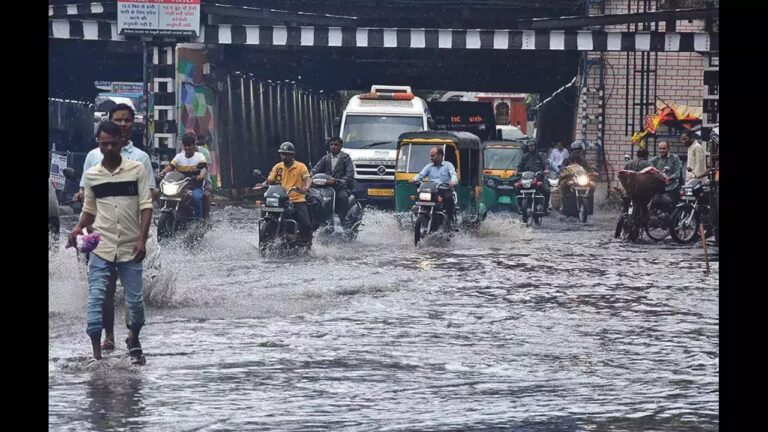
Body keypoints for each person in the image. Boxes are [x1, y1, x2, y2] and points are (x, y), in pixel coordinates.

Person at [67, 121, 152, 364]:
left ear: (122, 143)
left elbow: (146, 207)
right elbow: (89, 210)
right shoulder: (92, 175)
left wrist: (142, 240)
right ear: (99, 144)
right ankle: (96, 357)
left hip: (130, 247)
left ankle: (133, 337)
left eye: (113, 144)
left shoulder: (137, 170)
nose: (109, 148)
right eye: (104, 144)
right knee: (95, 303)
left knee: (135, 305)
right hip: (101, 248)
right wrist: (77, 227)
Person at [259, 142, 313, 247]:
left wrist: (306, 187)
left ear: (292, 155)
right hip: (281, 199)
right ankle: (264, 240)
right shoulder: (277, 167)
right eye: (282, 154)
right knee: (265, 210)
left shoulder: (301, 166)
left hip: (297, 199)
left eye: (287, 154)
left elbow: (308, 178)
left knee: (306, 223)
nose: (284, 156)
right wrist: (263, 184)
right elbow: (270, 180)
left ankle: (307, 245)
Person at [159, 132, 208, 220]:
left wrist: (201, 175)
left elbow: (203, 168)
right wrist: (162, 173)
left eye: (190, 145)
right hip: (180, 186)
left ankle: (199, 221)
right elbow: (171, 167)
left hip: (195, 186)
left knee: (196, 198)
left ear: (194, 145)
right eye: (186, 145)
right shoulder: (178, 157)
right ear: (182, 145)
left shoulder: (199, 156)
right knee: (165, 195)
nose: (187, 148)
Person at [409, 146, 458, 228]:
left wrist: (453, 181)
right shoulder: (429, 166)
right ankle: (422, 218)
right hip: (432, 190)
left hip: (444, 190)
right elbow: (421, 175)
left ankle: (450, 220)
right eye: (430, 156)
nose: (430, 158)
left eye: (432, 156)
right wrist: (414, 179)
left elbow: (453, 175)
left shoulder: (448, 165)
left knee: (449, 198)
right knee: (418, 200)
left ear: (440, 156)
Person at [310, 137, 355, 222]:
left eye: (336, 145)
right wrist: (310, 176)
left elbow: (350, 174)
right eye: (331, 145)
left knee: (342, 197)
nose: (333, 147)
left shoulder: (346, 158)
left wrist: (341, 180)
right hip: (326, 186)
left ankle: (342, 220)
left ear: (341, 146)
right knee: (316, 197)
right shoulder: (325, 158)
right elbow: (316, 169)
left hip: (340, 187)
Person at [517, 141, 551, 213]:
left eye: (532, 145)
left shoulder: (540, 155)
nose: (531, 147)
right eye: (529, 146)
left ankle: (545, 208)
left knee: (546, 191)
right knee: (517, 188)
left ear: (535, 146)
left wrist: (546, 169)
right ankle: (519, 206)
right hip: (526, 178)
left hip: (538, 177)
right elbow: (520, 165)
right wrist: (516, 170)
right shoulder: (525, 156)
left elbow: (545, 164)